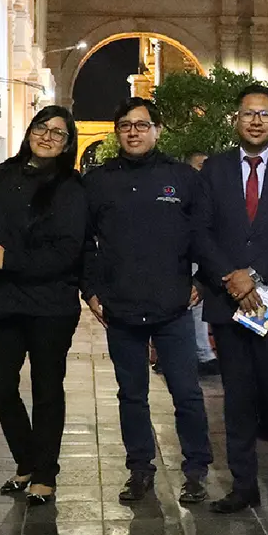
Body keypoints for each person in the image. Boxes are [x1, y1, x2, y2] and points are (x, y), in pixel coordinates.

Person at [82, 97, 213, 505]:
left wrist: (204, 281)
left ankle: (195, 470)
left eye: (141, 125)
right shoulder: (98, 181)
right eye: (125, 125)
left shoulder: (182, 178)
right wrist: (90, 290)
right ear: (117, 132)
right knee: (131, 395)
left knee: (187, 393)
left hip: (172, 305)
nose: (133, 132)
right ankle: (139, 469)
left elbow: (206, 234)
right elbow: (84, 243)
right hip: (120, 309)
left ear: (157, 130)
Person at [194, 84, 268, 523]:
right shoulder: (215, 170)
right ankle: (243, 487)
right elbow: (200, 233)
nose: (256, 121)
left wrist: (255, 276)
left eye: (264, 114)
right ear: (236, 120)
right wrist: (233, 280)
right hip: (229, 302)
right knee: (237, 401)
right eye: (248, 113)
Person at [0, 106, 84, 505]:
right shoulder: (1, 176)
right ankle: (27, 460)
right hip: (5, 301)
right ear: (30, 130)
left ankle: (44, 474)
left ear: (68, 143)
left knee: (46, 389)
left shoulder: (71, 187)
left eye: (59, 133)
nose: (48, 136)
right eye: (42, 127)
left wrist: (11, 259)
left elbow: (67, 251)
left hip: (51, 305)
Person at [185, 150, 219, 377]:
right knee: (193, 306)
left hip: (204, 258)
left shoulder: (212, 192)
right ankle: (201, 353)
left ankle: (202, 352)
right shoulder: (186, 193)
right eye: (200, 165)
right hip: (189, 259)